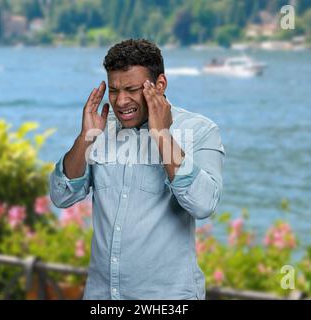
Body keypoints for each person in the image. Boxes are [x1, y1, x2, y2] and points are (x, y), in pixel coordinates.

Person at [50, 39, 225, 300]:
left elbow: (203, 204)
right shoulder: (100, 129)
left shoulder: (200, 131)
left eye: (132, 89)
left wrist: (162, 135)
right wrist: (86, 137)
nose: (121, 101)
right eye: (114, 90)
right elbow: (61, 195)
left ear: (160, 84)